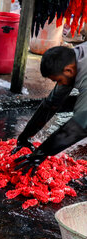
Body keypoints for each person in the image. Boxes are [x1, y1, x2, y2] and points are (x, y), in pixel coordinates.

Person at [14, 45, 87, 174]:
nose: (59, 84)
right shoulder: (69, 61)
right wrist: (25, 136)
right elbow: (51, 103)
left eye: (58, 80)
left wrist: (40, 153)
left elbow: (80, 125)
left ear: (68, 71)